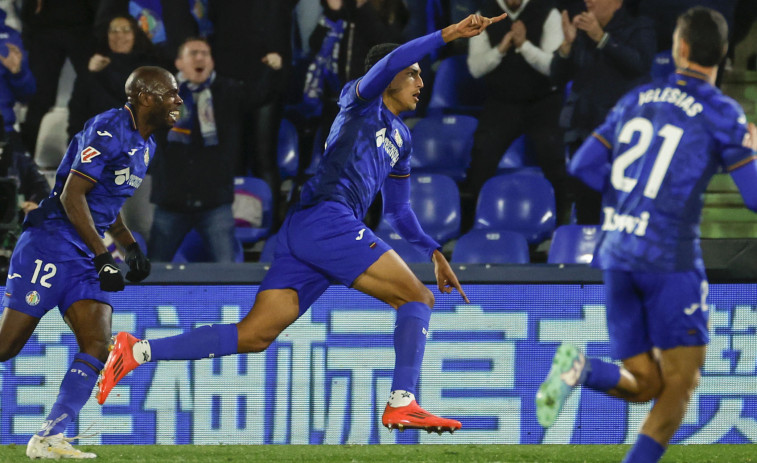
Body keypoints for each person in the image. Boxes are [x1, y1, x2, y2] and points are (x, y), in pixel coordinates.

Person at [97, 12, 507, 433]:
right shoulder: (360, 100)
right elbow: (392, 59)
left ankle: (137, 350)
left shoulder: (402, 139)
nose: (422, 83)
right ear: (391, 78)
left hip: (309, 230)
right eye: (414, 75)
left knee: (254, 336)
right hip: (327, 217)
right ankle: (403, 402)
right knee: (417, 299)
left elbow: (399, 212)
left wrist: (434, 251)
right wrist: (450, 33)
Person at [535, 7, 757, 463]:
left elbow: (582, 167)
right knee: (680, 387)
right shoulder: (723, 113)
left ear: (680, 48)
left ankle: (580, 368)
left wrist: (632, 203)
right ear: (723, 54)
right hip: (667, 259)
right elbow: (753, 198)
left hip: (616, 252)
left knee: (648, 385)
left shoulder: (638, 98)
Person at [0, 66, 181, 459]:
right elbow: (72, 196)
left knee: (98, 344)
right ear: (146, 96)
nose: (178, 101)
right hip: (50, 243)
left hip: (84, 251)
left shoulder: (147, 145)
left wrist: (129, 246)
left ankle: (49, 437)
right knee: (5, 347)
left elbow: (106, 207)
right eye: (170, 94)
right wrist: (104, 257)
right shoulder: (108, 128)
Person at [148, 37, 273, 263]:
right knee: (154, 272)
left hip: (215, 203)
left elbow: (262, 94)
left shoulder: (228, 91)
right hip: (171, 202)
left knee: (228, 272)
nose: (200, 58)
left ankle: (232, 302)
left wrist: (272, 70)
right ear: (178, 63)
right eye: (193, 53)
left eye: (205, 53)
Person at [550, 0, 656, 224]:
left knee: (621, 210)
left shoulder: (640, 27)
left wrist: (602, 38)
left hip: (623, 139)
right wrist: (567, 46)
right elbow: (557, 78)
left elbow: (639, 64)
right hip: (585, 134)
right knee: (587, 210)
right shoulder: (583, 32)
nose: (587, 1)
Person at [465, 0, 569, 225]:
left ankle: (562, 222)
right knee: (481, 156)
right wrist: (501, 49)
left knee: (553, 154)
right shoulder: (483, 16)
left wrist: (524, 46)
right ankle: (471, 224)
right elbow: (475, 68)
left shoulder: (548, 13)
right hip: (501, 103)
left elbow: (554, 67)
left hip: (543, 102)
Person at [67, 15, 160, 139]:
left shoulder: (150, 68)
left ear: (136, 34)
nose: (119, 36)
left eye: (126, 30)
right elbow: (77, 114)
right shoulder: (95, 67)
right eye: (113, 31)